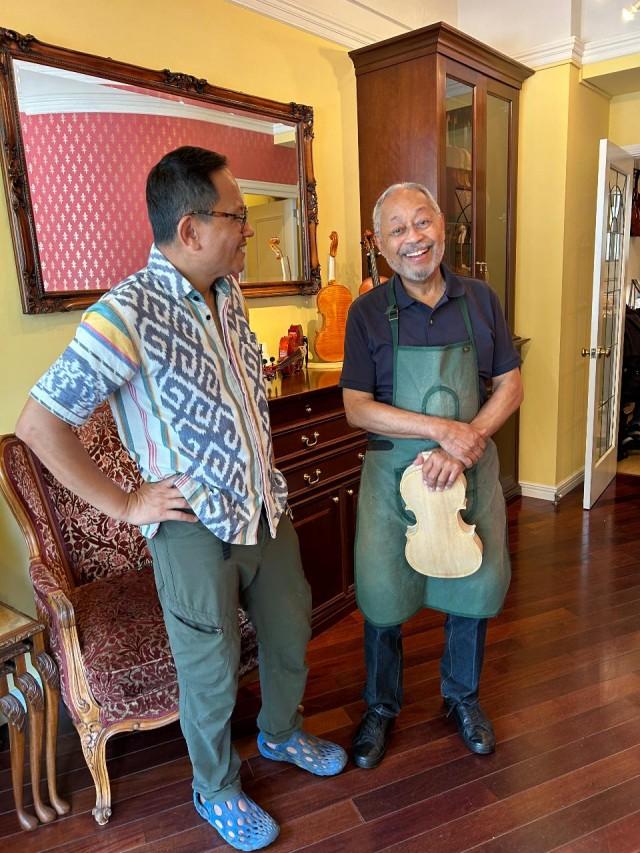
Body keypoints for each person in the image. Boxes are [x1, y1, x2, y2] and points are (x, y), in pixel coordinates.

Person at [16, 146, 346, 852]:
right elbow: (39, 424)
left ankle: (282, 733)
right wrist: (127, 503)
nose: (249, 229)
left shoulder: (230, 296)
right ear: (191, 228)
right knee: (210, 665)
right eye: (237, 216)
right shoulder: (125, 313)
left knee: (290, 633)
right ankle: (215, 786)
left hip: (265, 506)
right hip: (191, 525)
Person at [340, 182, 523, 769]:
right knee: (382, 591)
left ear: (442, 226)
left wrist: (464, 446)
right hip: (394, 477)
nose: (413, 238)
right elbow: (357, 406)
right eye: (398, 229)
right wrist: (440, 431)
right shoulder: (366, 313)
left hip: (469, 471)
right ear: (381, 245)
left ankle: (462, 698)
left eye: (422, 223)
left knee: (473, 585)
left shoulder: (481, 299)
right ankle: (380, 707)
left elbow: (510, 386)